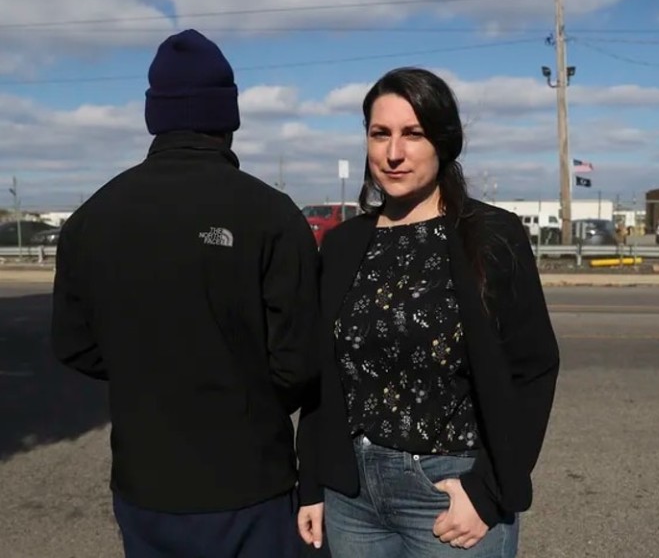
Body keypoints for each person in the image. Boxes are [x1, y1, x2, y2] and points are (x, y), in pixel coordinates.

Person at [51, 29, 319, 558]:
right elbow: (300, 361)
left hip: (144, 485)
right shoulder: (271, 214)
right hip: (249, 484)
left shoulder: (91, 219)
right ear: (229, 118)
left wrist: (147, 371)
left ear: (155, 116)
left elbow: (74, 344)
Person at [296, 67, 559, 557]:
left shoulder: (490, 235)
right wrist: (311, 482)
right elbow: (323, 377)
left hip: (450, 493)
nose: (393, 153)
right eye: (380, 134)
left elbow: (534, 368)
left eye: (412, 134)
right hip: (352, 495)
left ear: (443, 140)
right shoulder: (344, 243)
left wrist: (488, 491)